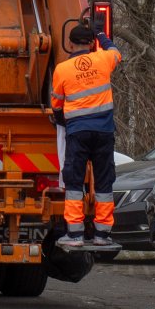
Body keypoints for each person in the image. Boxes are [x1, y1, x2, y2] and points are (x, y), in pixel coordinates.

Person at [51, 21, 122, 248]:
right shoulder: (103, 59)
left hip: (78, 133)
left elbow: (56, 105)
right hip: (103, 133)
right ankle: (102, 234)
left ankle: (74, 235)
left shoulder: (62, 69)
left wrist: (63, 120)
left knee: (74, 181)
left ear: (69, 44)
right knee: (103, 182)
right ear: (91, 44)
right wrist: (102, 34)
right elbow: (115, 52)